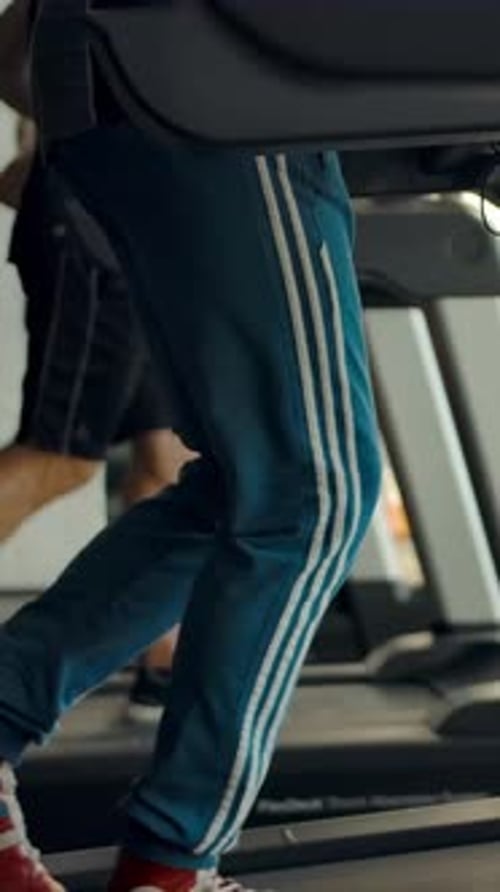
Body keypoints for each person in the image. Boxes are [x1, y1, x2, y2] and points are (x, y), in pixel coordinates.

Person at [0, 5, 382, 891]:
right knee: (312, 492)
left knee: (250, 486)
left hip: (148, 75)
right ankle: (171, 866)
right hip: (220, 73)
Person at [0, 129, 193, 720]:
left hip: (148, 226)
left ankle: (161, 664)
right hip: (99, 222)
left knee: (172, 465)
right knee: (59, 458)